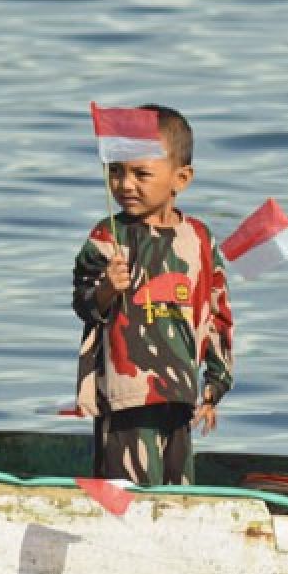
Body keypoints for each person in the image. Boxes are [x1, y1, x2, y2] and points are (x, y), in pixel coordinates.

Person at [72, 105, 233, 485]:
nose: (125, 185)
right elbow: (84, 303)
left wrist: (215, 384)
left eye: (141, 174)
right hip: (126, 394)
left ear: (181, 179)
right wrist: (108, 288)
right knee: (129, 492)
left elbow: (217, 313)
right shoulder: (108, 235)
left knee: (178, 492)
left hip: (179, 393)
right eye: (116, 172)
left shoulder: (199, 239)